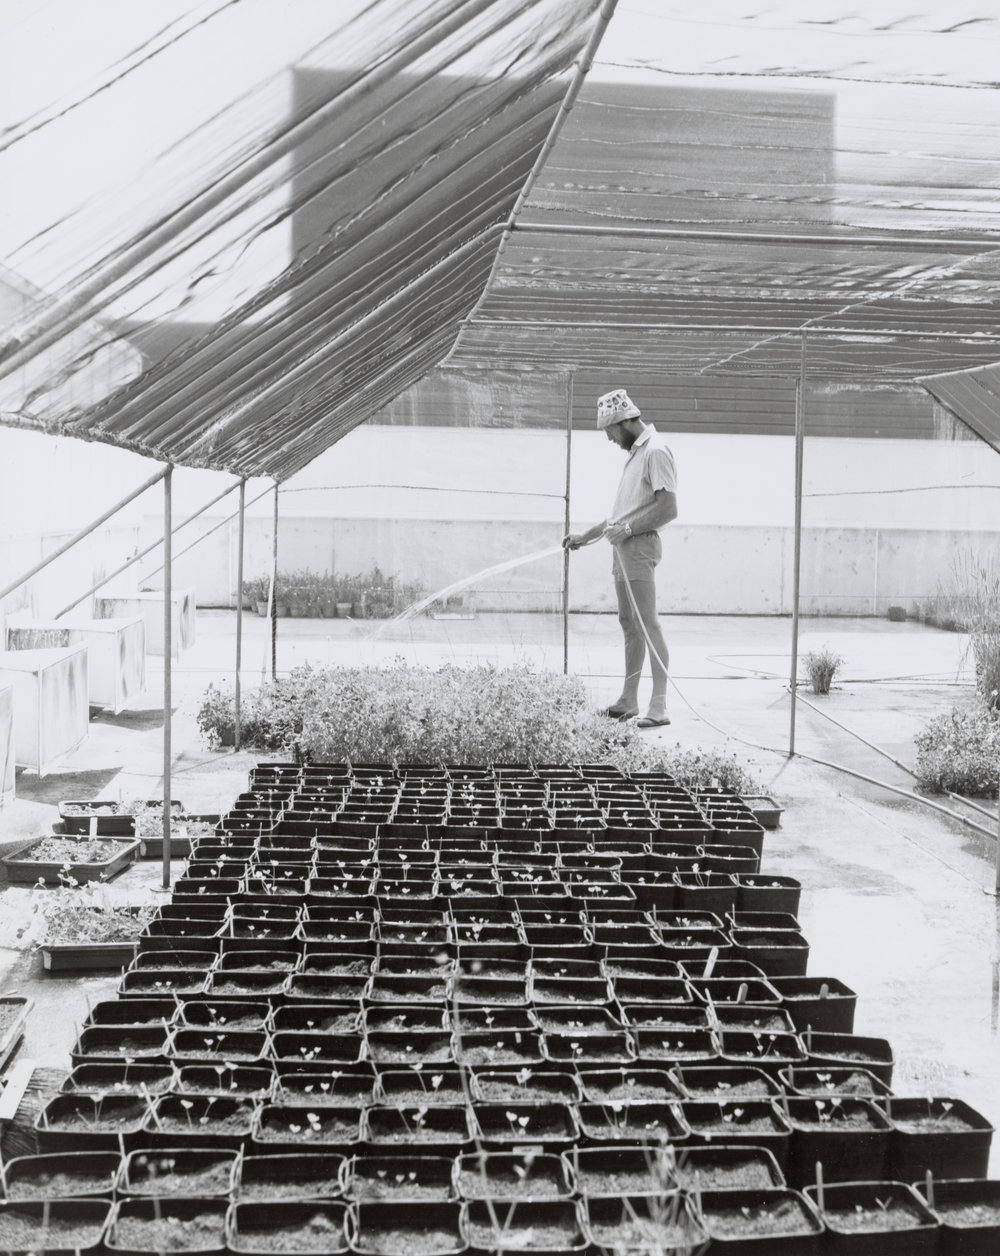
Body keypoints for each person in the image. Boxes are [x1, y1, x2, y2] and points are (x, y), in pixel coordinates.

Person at [563, 388, 677, 727]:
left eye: (609, 431)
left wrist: (628, 530)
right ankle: (628, 700)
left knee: (647, 623)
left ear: (624, 422)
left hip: (639, 549)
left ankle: (659, 706)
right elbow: (621, 514)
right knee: (629, 625)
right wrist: (586, 536)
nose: (610, 439)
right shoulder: (635, 455)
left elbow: (669, 508)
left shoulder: (656, 451)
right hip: (624, 549)